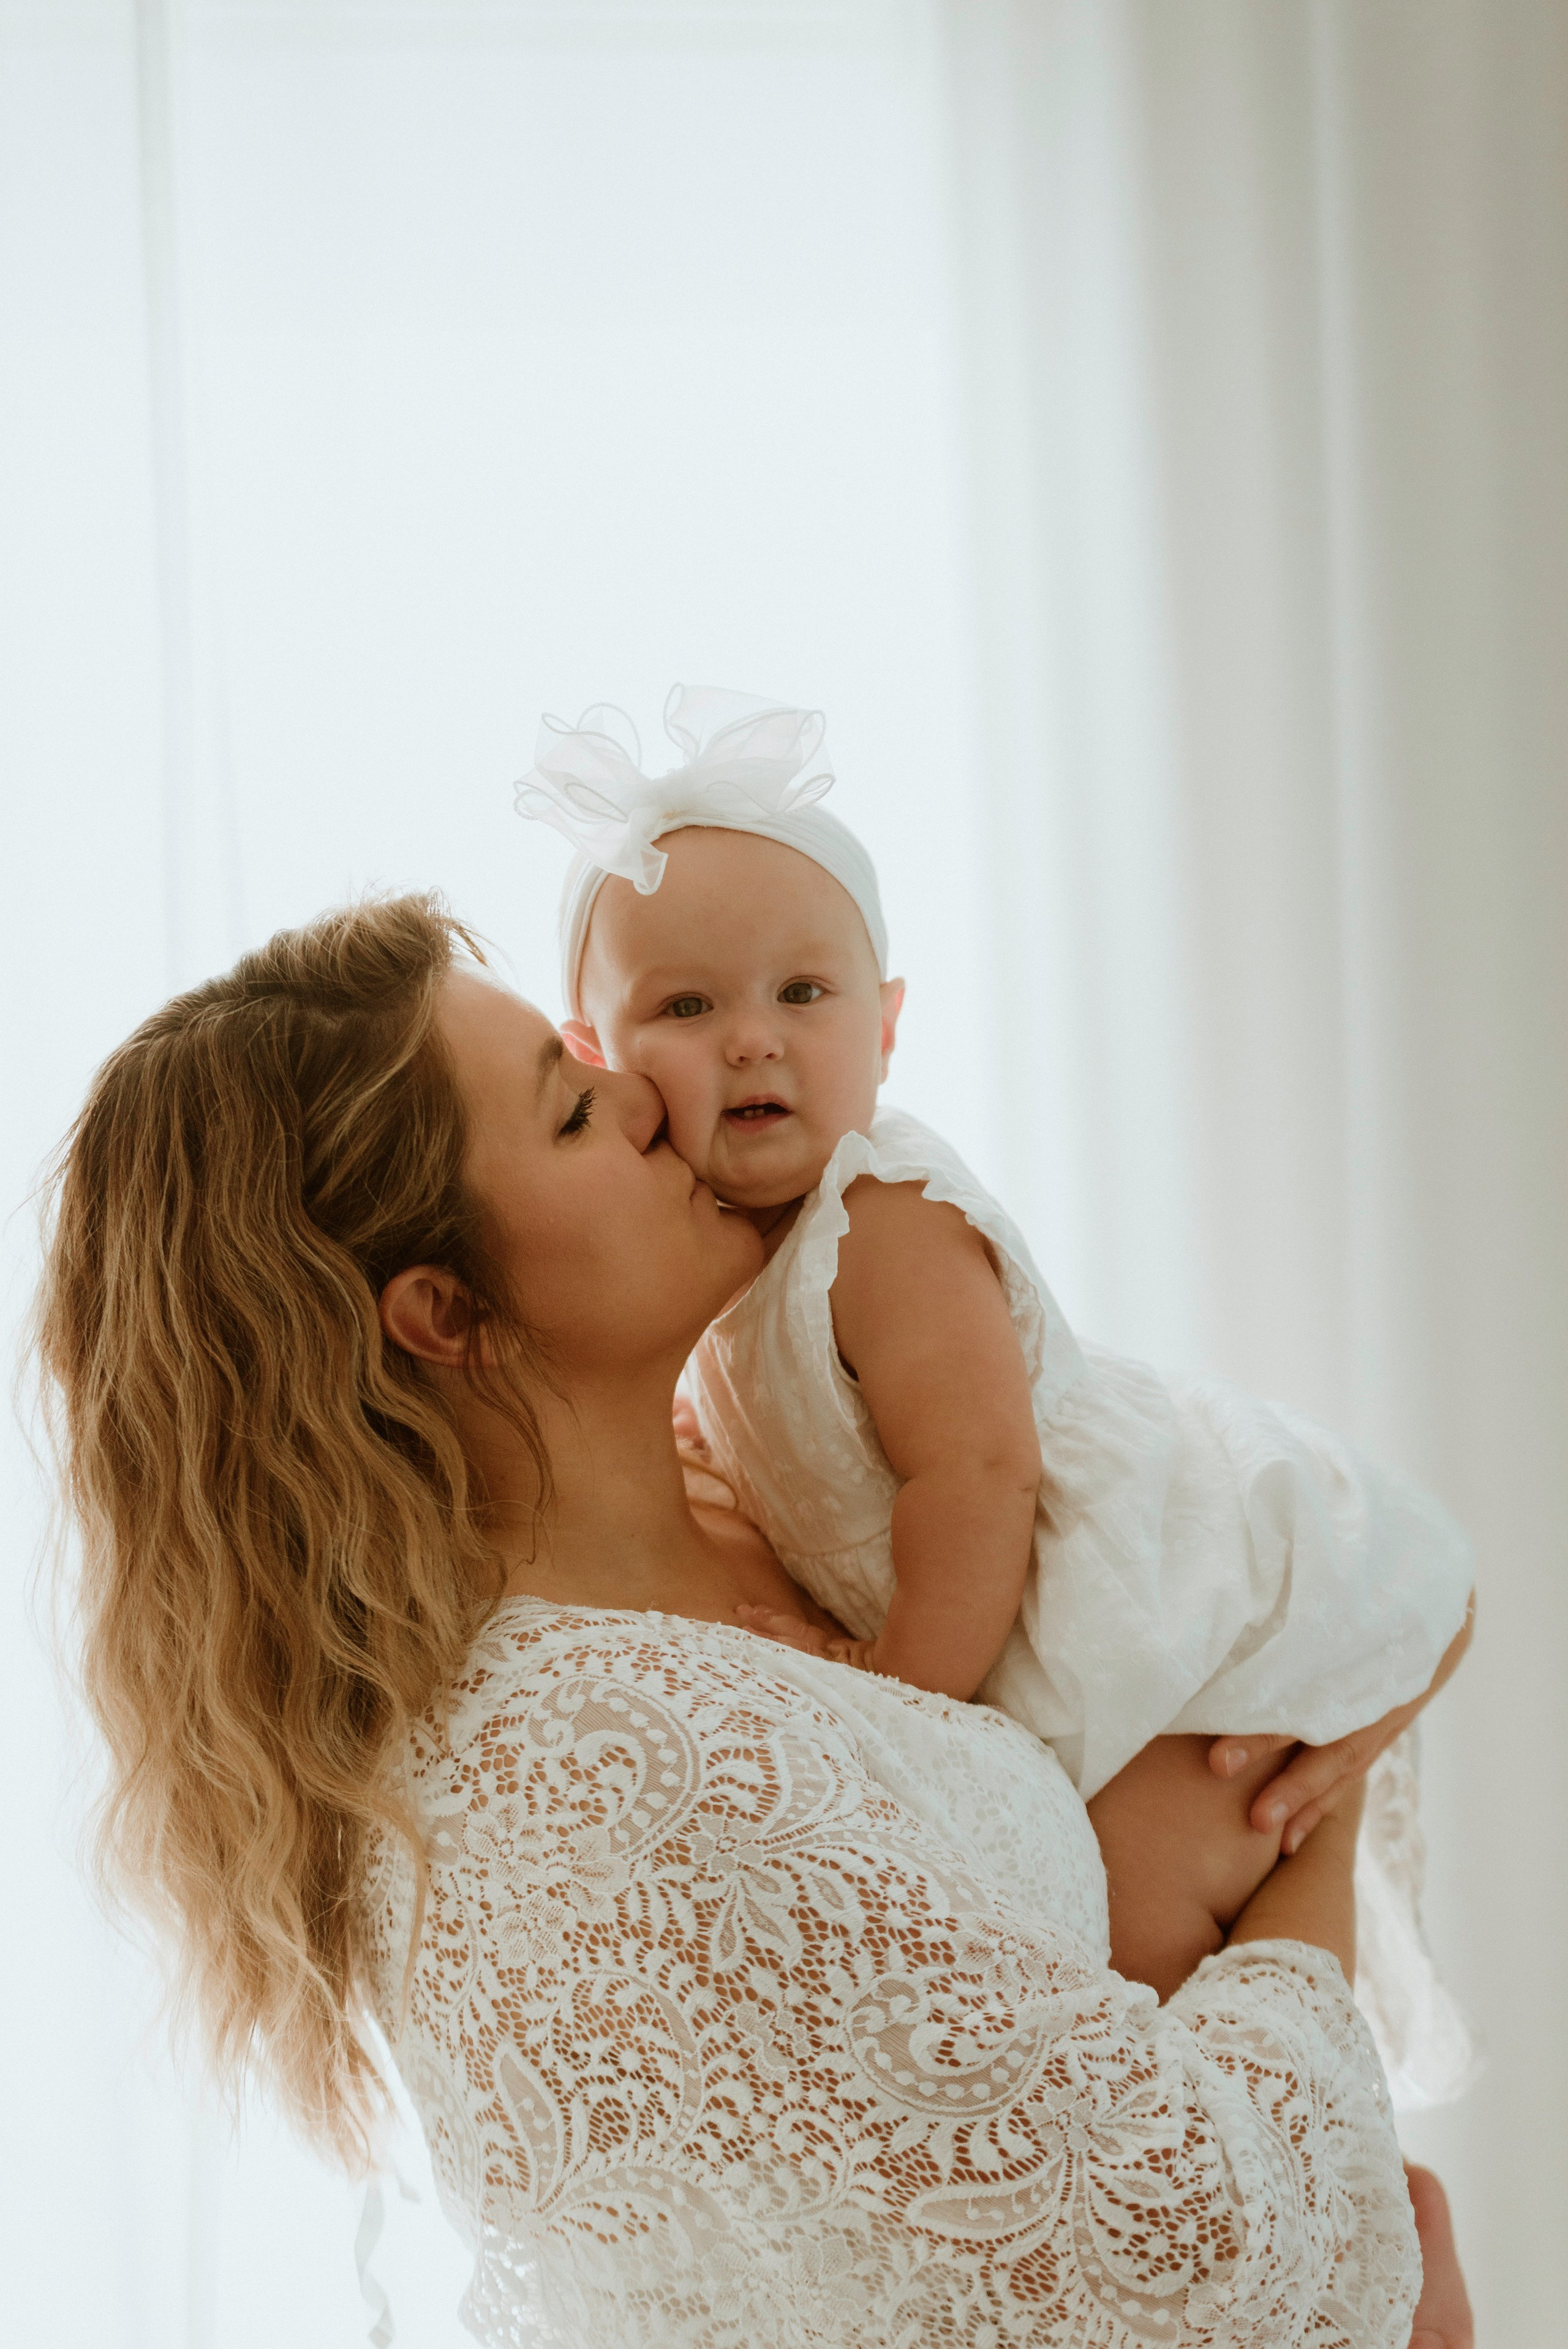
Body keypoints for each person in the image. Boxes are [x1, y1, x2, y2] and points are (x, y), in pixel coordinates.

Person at [37, 894, 1471, 2345]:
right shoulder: (606, 1765)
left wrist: (1368, 1615)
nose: (647, 1092)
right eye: (572, 1112)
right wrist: (1317, 1820)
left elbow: (1206, 1533)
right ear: (446, 1314)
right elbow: (1188, 2246)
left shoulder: (792, 1477)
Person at [518, 684, 1474, 2059]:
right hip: (1047, 1644)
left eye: (804, 991)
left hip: (1164, 1613)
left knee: (1130, 1944)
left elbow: (977, 1473)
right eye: (687, 1003)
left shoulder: (879, 1222)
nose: (752, 1037)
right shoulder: (718, 1277)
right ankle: (1392, 2210)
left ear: (888, 1022)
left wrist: (889, 1685)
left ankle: (1378, 2218)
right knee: (1123, 1948)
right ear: (596, 1055)